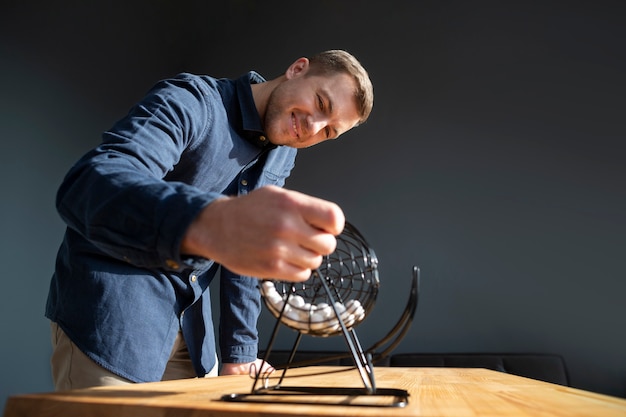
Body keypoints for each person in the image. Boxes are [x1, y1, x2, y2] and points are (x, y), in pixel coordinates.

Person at [45, 49, 374, 390]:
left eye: (329, 132)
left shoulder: (283, 150)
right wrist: (208, 222)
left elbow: (245, 257)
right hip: (114, 327)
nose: (313, 128)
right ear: (297, 69)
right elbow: (89, 185)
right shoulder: (192, 101)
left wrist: (240, 353)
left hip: (193, 339)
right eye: (321, 103)